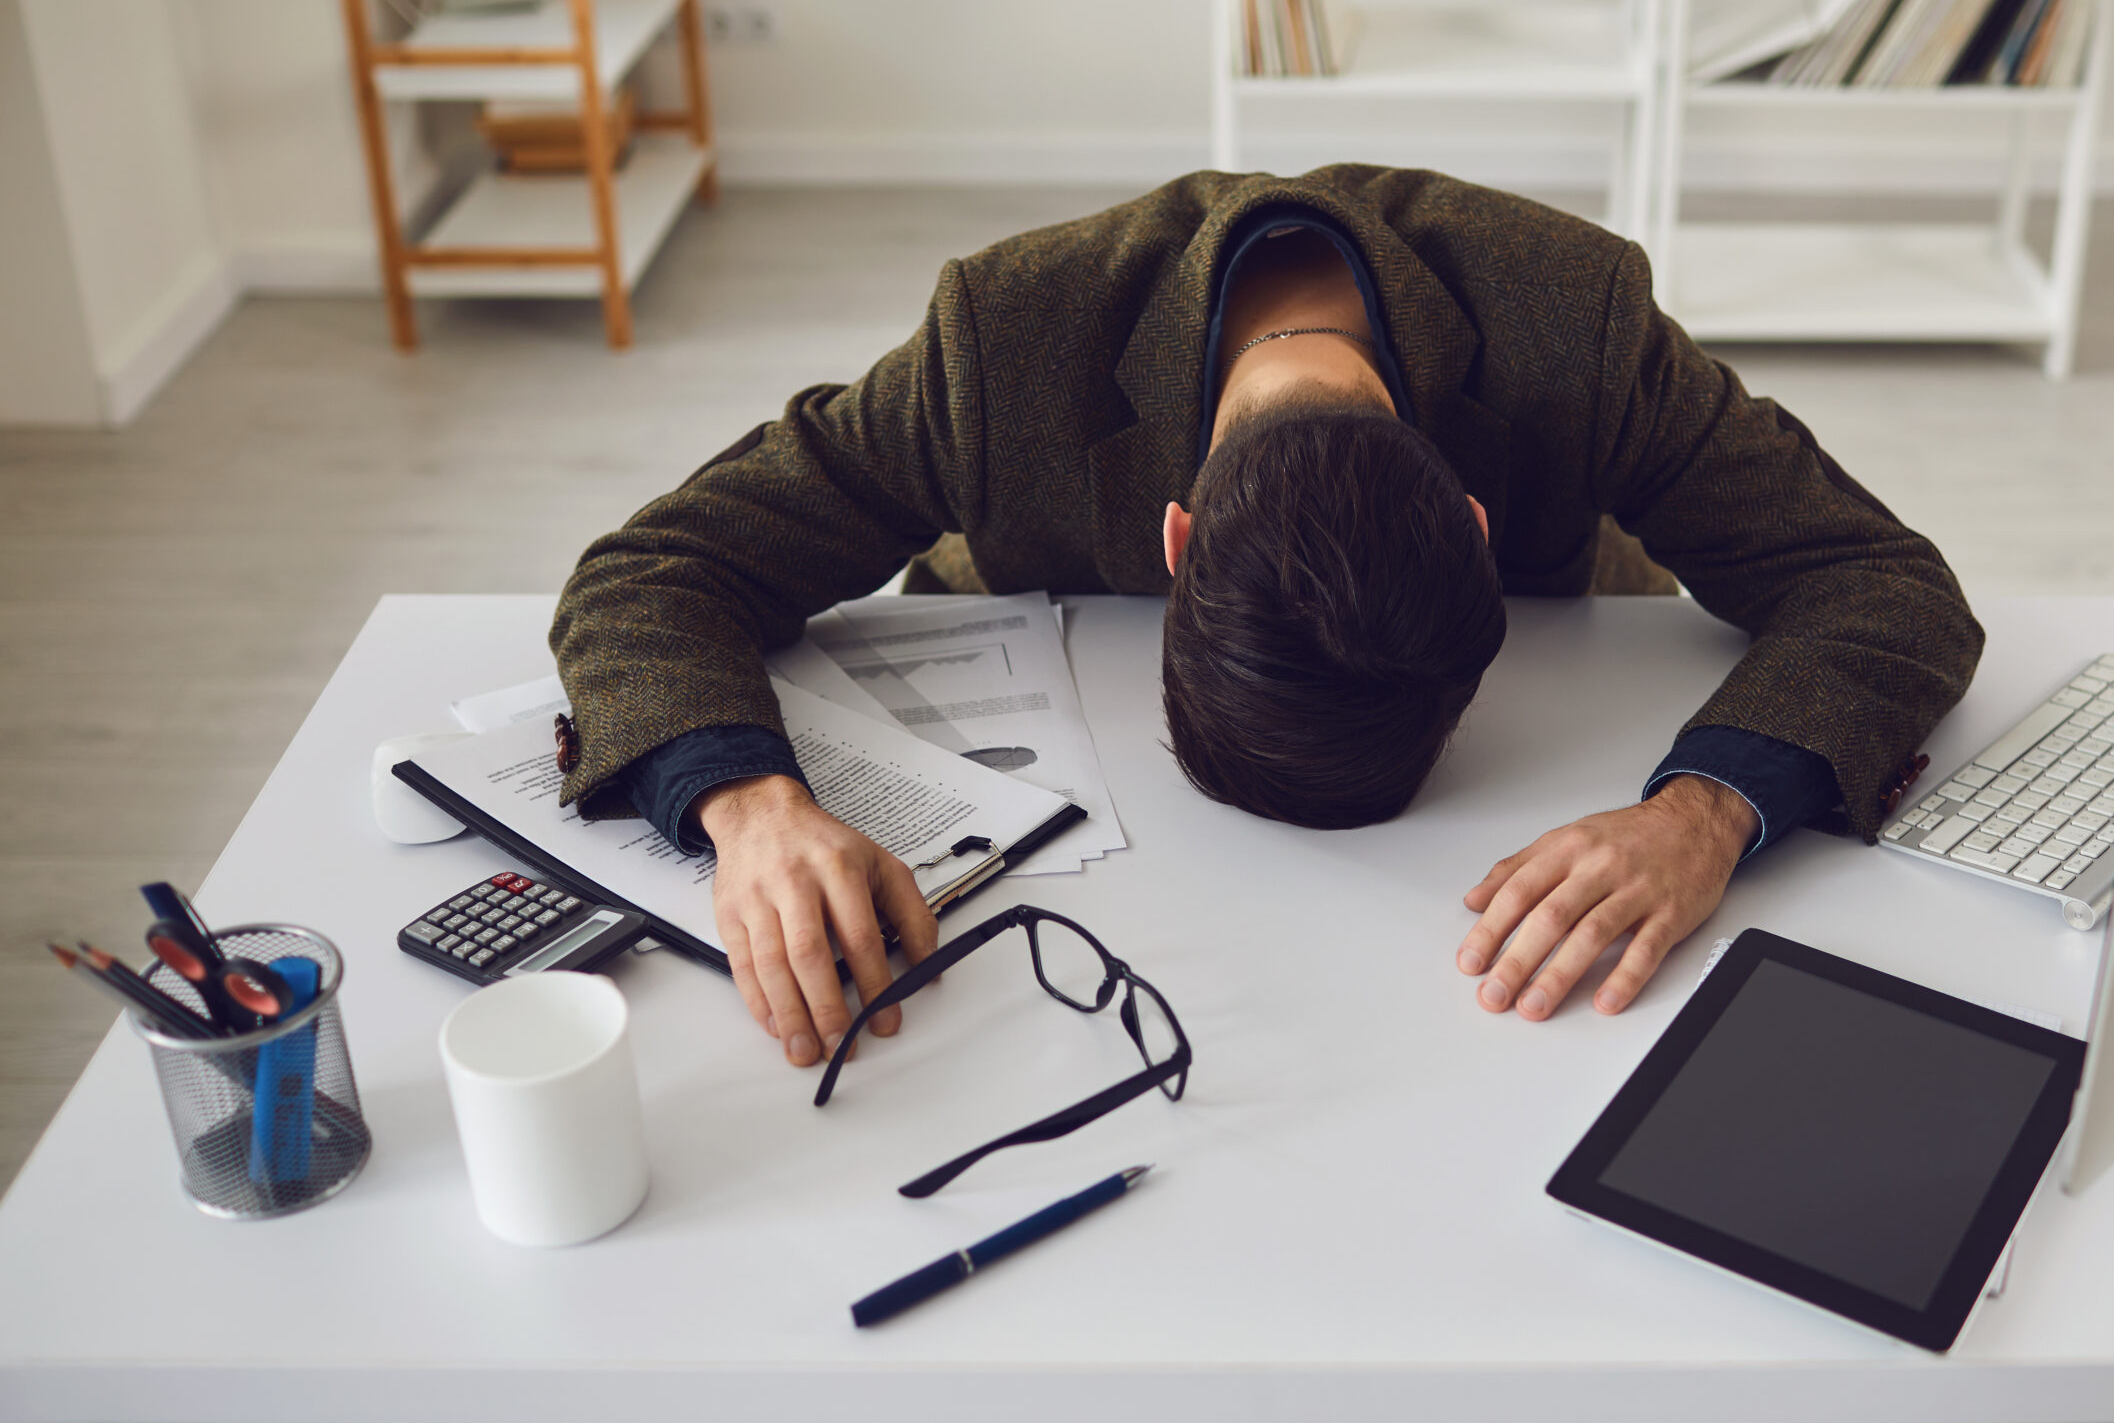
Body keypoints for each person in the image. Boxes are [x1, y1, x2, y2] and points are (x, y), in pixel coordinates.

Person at [550, 165, 1982, 1071]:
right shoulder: (1002, 343)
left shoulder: (1582, 323)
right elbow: (654, 569)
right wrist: (746, 804)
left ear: (1475, 536)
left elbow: (1880, 582)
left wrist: (1704, 812)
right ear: (1174, 546)